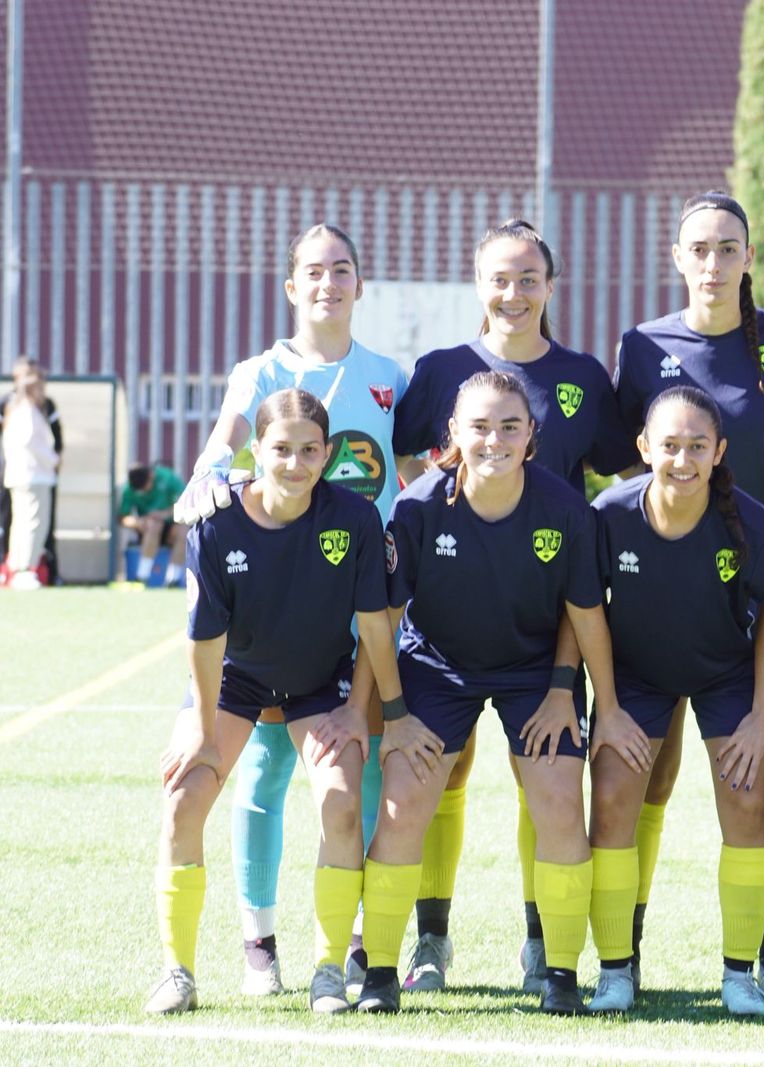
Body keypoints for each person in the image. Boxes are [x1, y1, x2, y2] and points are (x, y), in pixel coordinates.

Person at [389, 219, 634, 994]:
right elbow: (399, 461)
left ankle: (545, 944)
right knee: (440, 776)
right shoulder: (441, 370)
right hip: (448, 625)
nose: (514, 292)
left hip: (547, 619)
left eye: (529, 278)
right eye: (500, 277)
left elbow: (623, 476)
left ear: (551, 287)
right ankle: (428, 939)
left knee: (548, 780)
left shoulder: (583, 377)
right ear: (478, 283)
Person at [173, 223, 410, 996]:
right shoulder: (261, 369)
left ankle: (360, 944)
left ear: (359, 284)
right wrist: (207, 474)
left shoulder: (387, 376)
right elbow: (226, 439)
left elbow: (410, 468)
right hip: (279, 597)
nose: (328, 282)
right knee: (265, 767)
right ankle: (259, 939)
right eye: (314, 270)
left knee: (360, 763)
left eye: (341, 269)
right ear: (291, 285)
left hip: (361, 595)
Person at [611, 191, 764, 982]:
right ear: (677, 257)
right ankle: (623, 943)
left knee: (752, 774)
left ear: (748, 258)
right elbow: (628, 456)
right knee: (646, 771)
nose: (712, 262)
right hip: (664, 593)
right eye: (698, 248)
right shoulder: (641, 345)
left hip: (759, 590)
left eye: (727, 248)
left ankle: (761, 957)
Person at [143, 389, 405, 1016]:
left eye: (309, 450)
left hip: (320, 682)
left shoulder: (355, 518)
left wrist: (369, 711)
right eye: (281, 449)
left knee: (341, 802)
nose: (294, 463)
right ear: (255, 449)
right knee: (184, 795)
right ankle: (178, 971)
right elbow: (204, 644)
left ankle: (326, 972)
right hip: (236, 682)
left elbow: (375, 627)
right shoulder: (218, 521)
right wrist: (203, 731)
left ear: (327, 453)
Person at [585, 386, 764, 1017]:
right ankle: (615, 970)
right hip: (635, 679)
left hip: (724, 676)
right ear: (643, 448)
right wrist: (607, 707)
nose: (682, 459)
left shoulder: (751, 523)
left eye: (698, 447)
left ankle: (740, 974)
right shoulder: (609, 514)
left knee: (745, 801)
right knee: (611, 801)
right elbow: (582, 610)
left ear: (720, 452)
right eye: (670, 445)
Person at [1, 357, 63, 589]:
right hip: (33, 474)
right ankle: (25, 569)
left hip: (20, 475)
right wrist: (54, 459)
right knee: (34, 523)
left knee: (21, 522)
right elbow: (32, 443)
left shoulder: (14, 408)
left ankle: (17, 568)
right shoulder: (27, 410)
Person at [120, 463, 189, 586]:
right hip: (148, 530)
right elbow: (122, 518)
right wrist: (137, 523)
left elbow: (187, 503)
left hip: (171, 528)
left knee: (184, 529)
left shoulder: (168, 478)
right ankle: (141, 578)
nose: (143, 492)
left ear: (151, 476)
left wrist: (165, 514)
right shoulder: (130, 487)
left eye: (145, 488)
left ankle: (173, 579)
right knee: (154, 525)